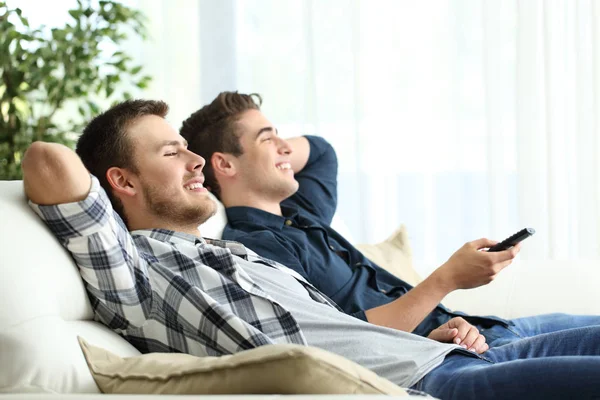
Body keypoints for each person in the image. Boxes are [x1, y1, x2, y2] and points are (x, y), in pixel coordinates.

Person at [23, 99, 600, 399]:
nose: (196, 161)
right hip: (426, 386)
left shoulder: (233, 254)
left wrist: (430, 331)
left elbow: (342, 329)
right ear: (121, 183)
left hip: (443, 354)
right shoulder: (135, 269)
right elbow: (48, 160)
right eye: (172, 153)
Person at [180, 91, 600, 350]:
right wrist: (446, 277)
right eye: (267, 139)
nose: (285, 147)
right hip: (450, 350)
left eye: (281, 136)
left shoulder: (298, 212)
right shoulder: (256, 248)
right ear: (224, 164)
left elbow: (322, 151)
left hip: (485, 329)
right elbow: (340, 336)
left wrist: (270, 148)